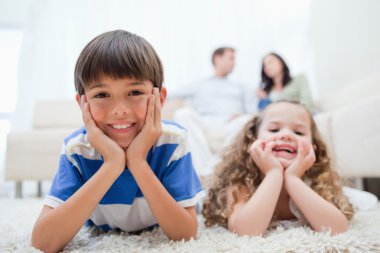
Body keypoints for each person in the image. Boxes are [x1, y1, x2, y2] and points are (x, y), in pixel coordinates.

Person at [31, 30, 203, 252]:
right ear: (83, 103)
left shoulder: (172, 141)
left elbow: (185, 234)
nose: (120, 110)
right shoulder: (77, 149)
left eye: (135, 92)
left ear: (159, 98)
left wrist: (138, 162)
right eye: (102, 95)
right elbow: (43, 242)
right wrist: (112, 163)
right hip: (100, 228)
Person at [202, 100, 354, 236]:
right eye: (274, 130)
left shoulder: (316, 182)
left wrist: (293, 179)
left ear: (313, 147)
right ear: (252, 140)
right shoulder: (242, 182)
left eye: (299, 132)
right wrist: (273, 173)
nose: (286, 135)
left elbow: (338, 229)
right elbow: (245, 232)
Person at [171, 47, 256, 177]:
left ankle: (213, 167)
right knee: (182, 114)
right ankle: (206, 170)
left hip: (230, 125)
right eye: (231, 58)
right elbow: (170, 94)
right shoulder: (200, 84)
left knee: (247, 119)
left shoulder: (241, 87)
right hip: (205, 123)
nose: (234, 63)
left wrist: (243, 115)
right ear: (217, 58)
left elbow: (253, 112)